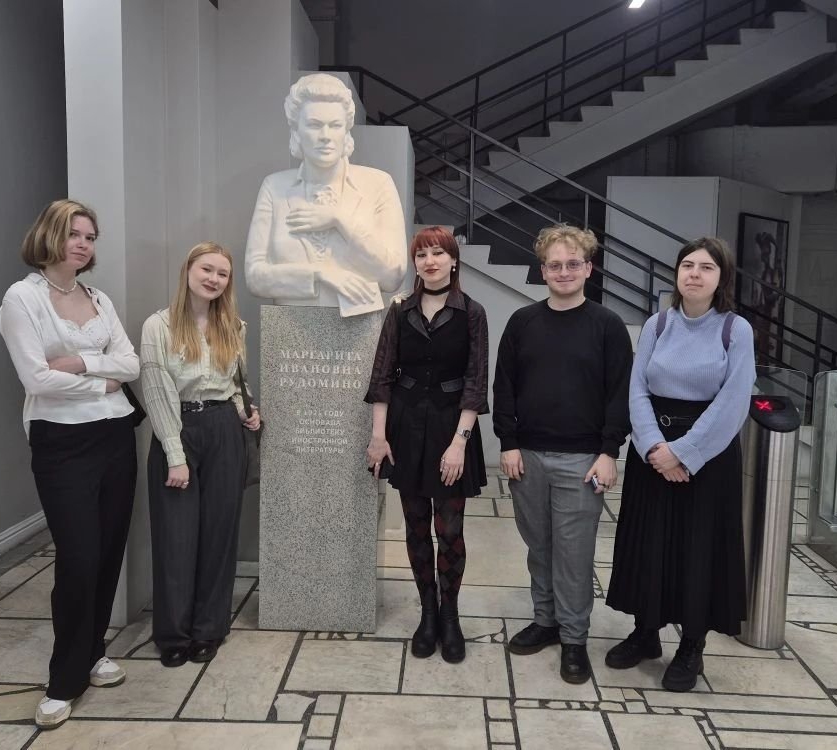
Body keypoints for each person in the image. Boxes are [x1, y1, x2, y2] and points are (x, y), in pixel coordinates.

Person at [0, 199, 139, 729]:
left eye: (90, 236)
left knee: (108, 550)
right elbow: (36, 378)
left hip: (116, 434)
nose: (82, 244)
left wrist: (80, 362)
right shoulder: (22, 298)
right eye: (73, 234)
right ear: (49, 236)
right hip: (61, 441)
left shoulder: (97, 297)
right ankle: (63, 680)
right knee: (78, 557)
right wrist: (102, 381)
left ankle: (93, 652)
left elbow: (131, 363)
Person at [605, 237, 756, 693]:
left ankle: (692, 644)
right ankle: (645, 632)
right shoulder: (658, 324)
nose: (694, 273)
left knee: (698, 549)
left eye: (706, 267)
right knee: (648, 543)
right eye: (687, 265)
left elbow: (733, 401)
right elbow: (637, 389)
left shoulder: (735, 329)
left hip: (707, 458)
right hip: (653, 454)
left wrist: (685, 453)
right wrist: (656, 448)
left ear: (721, 277)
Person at [493, 224, 633, 685]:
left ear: (588, 268)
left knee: (573, 554)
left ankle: (574, 638)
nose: (564, 271)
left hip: (583, 460)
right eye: (555, 265)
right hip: (527, 456)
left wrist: (609, 451)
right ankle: (546, 620)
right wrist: (508, 442)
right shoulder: (523, 322)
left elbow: (620, 394)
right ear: (543, 271)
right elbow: (504, 386)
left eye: (573, 263)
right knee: (540, 547)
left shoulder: (608, 326)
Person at [365, 226, 489, 663]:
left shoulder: (472, 312)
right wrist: (378, 437)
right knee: (416, 526)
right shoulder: (399, 310)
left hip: (452, 426)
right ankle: (428, 615)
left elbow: (476, 382)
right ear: (415, 264)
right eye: (422, 255)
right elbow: (382, 375)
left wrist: (459, 444)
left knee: (449, 529)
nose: (430, 261)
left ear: (453, 261)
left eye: (438, 253)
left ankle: (450, 617)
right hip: (406, 425)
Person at [140, 242, 260, 669]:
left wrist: (247, 411)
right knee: (175, 538)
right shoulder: (158, 326)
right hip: (178, 430)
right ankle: (173, 634)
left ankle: (209, 629)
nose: (214, 279)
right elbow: (157, 392)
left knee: (219, 536)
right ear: (188, 270)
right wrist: (175, 454)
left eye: (222, 274)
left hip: (224, 431)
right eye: (207, 269)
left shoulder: (233, 326)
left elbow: (234, 383)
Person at [245, 72, 407, 317]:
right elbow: (255, 276)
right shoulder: (274, 187)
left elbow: (392, 275)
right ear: (296, 130)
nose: (325, 136)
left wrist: (339, 220)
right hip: (289, 323)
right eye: (314, 125)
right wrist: (320, 274)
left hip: (356, 324)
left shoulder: (378, 184)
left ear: (346, 131)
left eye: (335, 125)